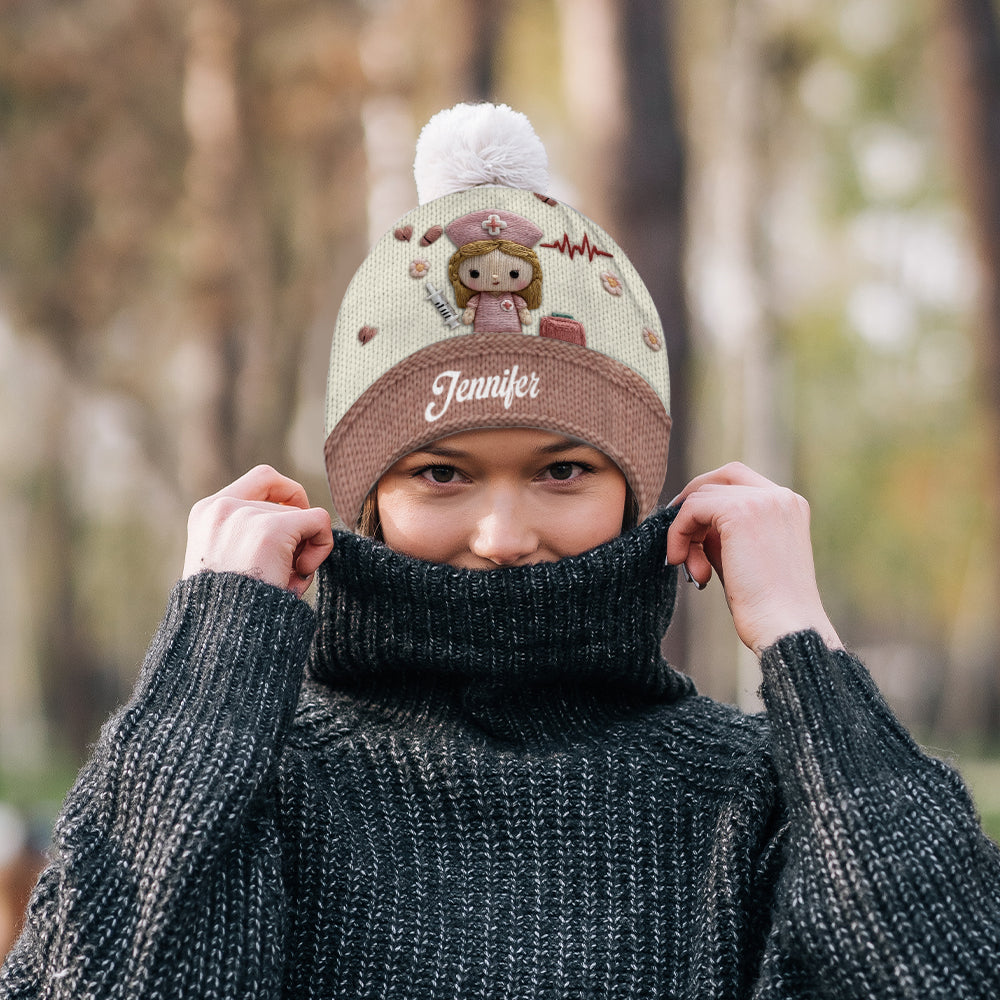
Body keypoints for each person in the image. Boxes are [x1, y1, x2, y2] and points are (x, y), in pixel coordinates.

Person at [2, 102, 999, 1000]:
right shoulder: (261, 784)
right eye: (440, 473)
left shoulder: (749, 798)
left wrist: (804, 645)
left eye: (563, 469)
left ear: (632, 492)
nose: (504, 533)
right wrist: (201, 687)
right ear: (367, 498)